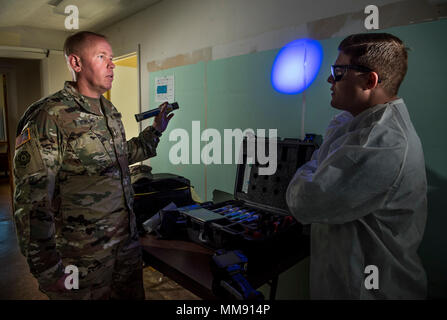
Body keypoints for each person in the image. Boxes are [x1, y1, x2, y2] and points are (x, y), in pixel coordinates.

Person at [13, 31, 174, 299]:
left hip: (126, 249)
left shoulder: (109, 111)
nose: (112, 65)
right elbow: (31, 203)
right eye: (102, 57)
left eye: (111, 58)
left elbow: (121, 156)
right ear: (76, 63)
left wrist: (156, 130)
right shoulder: (48, 117)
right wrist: (48, 271)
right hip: (82, 259)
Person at [286, 33, 427, 299]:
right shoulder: (352, 122)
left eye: (338, 71)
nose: (330, 79)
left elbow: (305, 201)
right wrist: (316, 168)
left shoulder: (385, 144)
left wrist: (310, 169)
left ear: (369, 80)